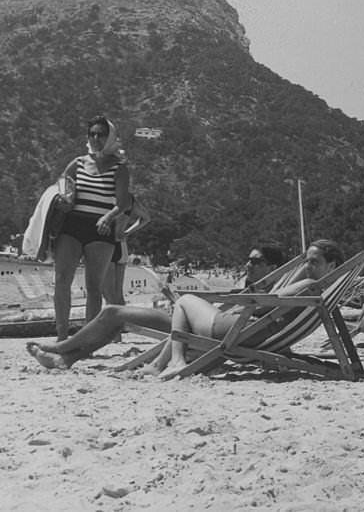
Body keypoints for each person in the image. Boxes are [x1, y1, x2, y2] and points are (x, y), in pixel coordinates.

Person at [26, 246, 290, 371]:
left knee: (112, 314)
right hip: (188, 321)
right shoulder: (256, 291)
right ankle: (66, 358)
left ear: (273, 266)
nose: (248, 265)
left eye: (257, 261)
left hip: (195, 329)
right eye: (248, 259)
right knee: (114, 315)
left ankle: (63, 349)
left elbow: (253, 325)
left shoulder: (273, 295)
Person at [147, 239, 344, 379]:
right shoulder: (324, 291)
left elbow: (264, 303)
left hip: (241, 332)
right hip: (259, 334)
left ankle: (175, 361)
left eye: (314, 262)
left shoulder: (308, 284)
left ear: (331, 265)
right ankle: (157, 364)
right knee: (188, 308)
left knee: (185, 300)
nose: (308, 267)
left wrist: (239, 306)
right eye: (307, 261)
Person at [53, 116, 131, 340]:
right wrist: (62, 201)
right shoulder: (77, 163)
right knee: (61, 279)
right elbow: (62, 187)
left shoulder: (119, 168)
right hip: (72, 226)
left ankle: (86, 339)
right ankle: (61, 336)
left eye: (101, 134)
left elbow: (123, 203)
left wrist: (108, 217)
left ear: (111, 137)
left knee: (94, 287)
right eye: (92, 134)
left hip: (101, 229)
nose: (96, 138)